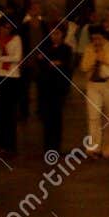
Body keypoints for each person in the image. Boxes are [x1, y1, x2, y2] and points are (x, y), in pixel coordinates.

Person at [32, 22, 75, 154]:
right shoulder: (44, 47)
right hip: (45, 87)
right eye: (52, 34)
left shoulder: (66, 49)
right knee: (46, 117)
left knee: (57, 117)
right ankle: (47, 145)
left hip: (58, 88)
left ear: (62, 34)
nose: (54, 36)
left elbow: (66, 67)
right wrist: (51, 63)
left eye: (57, 33)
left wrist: (52, 63)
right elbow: (41, 63)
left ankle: (56, 145)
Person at [83, 29, 109, 157]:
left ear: (104, 37)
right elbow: (84, 66)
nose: (96, 42)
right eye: (94, 39)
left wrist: (105, 59)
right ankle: (94, 147)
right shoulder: (89, 48)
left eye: (99, 38)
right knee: (93, 117)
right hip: (93, 86)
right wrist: (94, 58)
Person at [0, 17, 24, 157]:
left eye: (9, 27)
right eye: (4, 27)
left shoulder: (16, 39)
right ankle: (2, 144)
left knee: (10, 113)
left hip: (12, 78)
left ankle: (11, 145)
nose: (6, 30)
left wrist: (0, 57)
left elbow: (17, 58)